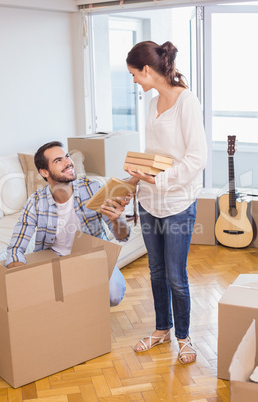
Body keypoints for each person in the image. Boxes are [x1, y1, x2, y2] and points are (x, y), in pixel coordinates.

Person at [126, 41, 207, 364]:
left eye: (134, 74)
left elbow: (196, 159)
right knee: (156, 270)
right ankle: (161, 329)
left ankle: (183, 337)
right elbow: (153, 154)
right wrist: (135, 178)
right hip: (149, 200)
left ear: (147, 70)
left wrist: (159, 179)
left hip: (178, 202)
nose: (134, 81)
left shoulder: (186, 101)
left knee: (176, 274)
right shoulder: (152, 103)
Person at [6, 141, 131, 307]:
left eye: (66, 157)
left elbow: (122, 236)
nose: (68, 163)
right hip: (57, 260)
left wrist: (117, 220)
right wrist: (21, 278)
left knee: (114, 294)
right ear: (44, 172)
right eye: (58, 161)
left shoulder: (93, 189)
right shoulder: (35, 202)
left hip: (94, 256)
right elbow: (16, 248)